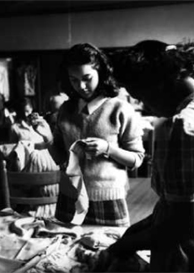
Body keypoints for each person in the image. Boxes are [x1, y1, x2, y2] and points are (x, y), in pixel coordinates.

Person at [95, 40, 194, 272]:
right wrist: (138, 229)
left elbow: (184, 226)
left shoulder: (185, 126)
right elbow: (183, 205)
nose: (146, 107)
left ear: (160, 85)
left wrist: (124, 246)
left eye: (141, 97)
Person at [32, 43, 145, 227]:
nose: (81, 86)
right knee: (63, 251)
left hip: (107, 199)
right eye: (74, 80)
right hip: (69, 196)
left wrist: (108, 149)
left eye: (87, 78)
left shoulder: (119, 108)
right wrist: (49, 139)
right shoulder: (66, 109)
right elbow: (61, 159)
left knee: (108, 252)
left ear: (101, 73)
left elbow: (137, 159)